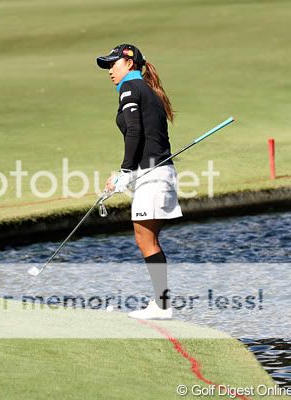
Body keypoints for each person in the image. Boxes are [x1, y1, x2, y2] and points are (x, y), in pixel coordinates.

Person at [96, 44, 182, 320]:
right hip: (155, 173)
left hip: (153, 175)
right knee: (148, 238)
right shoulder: (144, 89)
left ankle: (162, 306)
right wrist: (126, 173)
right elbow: (141, 135)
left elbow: (134, 130)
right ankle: (161, 302)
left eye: (113, 64)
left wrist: (124, 172)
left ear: (129, 63)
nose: (110, 70)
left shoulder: (130, 88)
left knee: (145, 239)